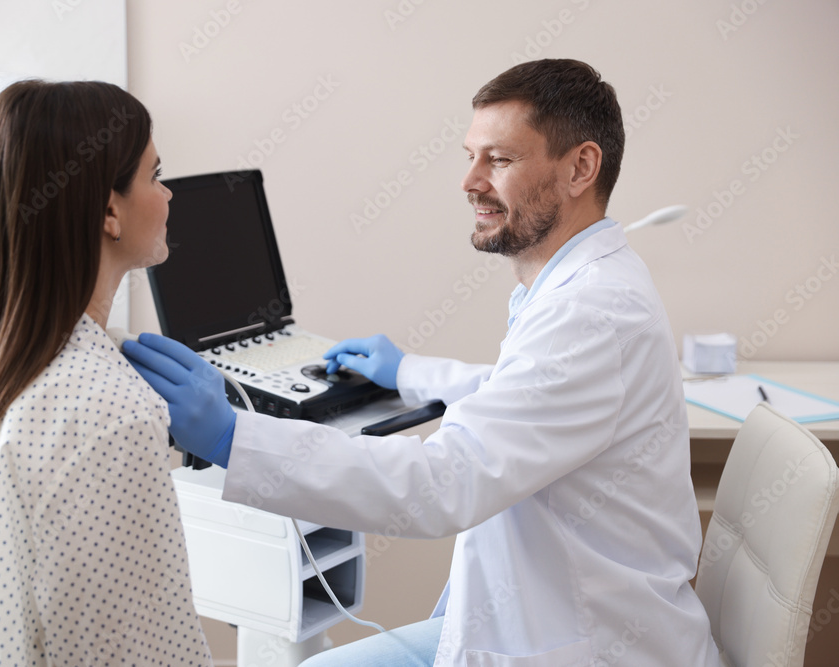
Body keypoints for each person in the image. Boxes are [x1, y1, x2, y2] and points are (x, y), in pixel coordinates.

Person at [123, 59, 721, 665]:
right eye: (470, 155)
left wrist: (236, 437)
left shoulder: (592, 311)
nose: (470, 180)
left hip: (590, 643)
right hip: (550, 619)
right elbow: (521, 396)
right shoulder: (587, 289)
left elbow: (444, 483)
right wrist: (406, 371)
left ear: (580, 168)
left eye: (500, 160)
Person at [0, 80, 212, 666]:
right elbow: (141, 654)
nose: (167, 196)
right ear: (110, 210)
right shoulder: (114, 413)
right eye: (155, 176)